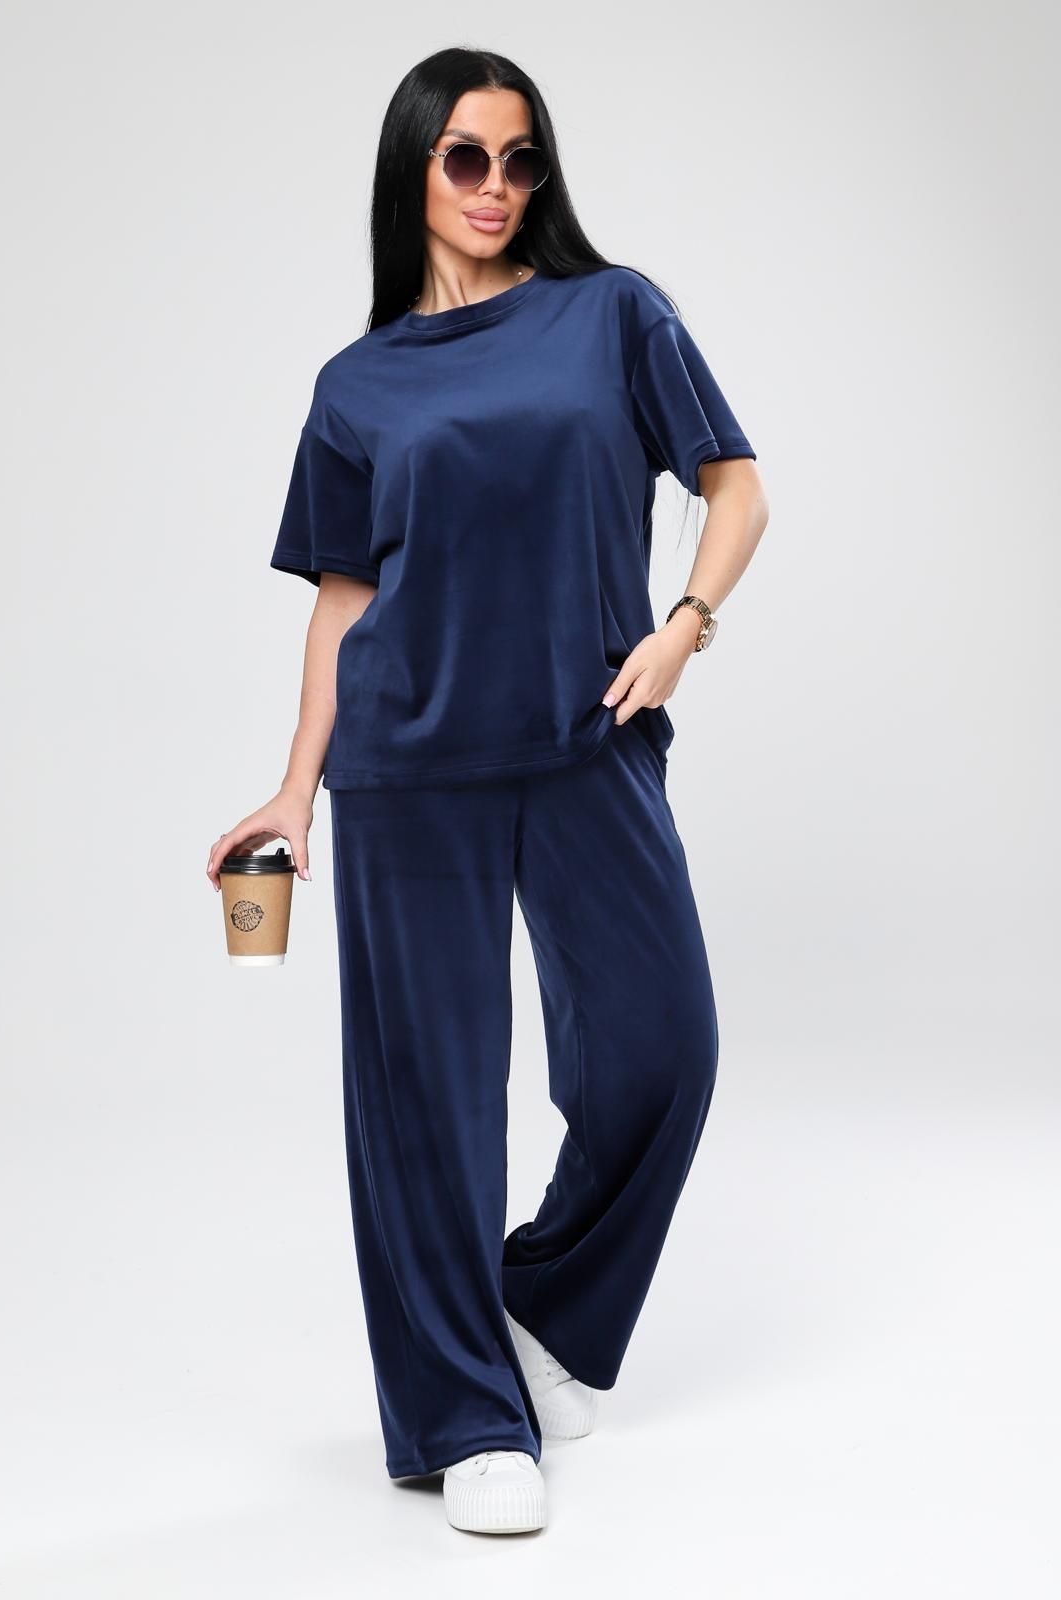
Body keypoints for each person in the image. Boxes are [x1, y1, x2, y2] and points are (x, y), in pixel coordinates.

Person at [207, 46, 769, 1536]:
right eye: (467, 158)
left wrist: (683, 627)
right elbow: (342, 601)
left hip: (590, 736)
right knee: (426, 1102)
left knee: (664, 1049)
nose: (497, 186)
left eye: (522, 160)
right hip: (408, 768)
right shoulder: (358, 384)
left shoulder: (613, 312)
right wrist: (293, 791)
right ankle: (463, 1416)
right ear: (414, 170)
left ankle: (542, 1314)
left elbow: (736, 484)